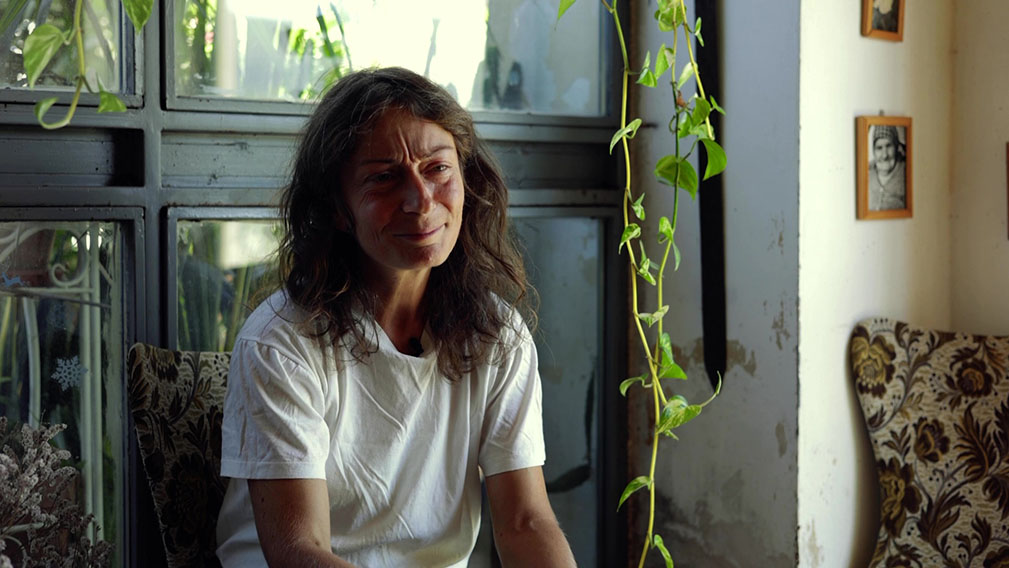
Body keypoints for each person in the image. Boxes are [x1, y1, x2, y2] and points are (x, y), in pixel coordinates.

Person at [214, 67, 577, 567]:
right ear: (337, 208)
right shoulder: (282, 343)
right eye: (384, 177)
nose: (421, 200)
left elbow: (525, 522)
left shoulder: (497, 337)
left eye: (438, 168)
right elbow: (299, 551)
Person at [868, 125, 906, 211]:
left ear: (896, 147)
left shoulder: (906, 174)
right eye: (879, 148)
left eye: (889, 146)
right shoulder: (867, 174)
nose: (884, 155)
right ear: (874, 151)